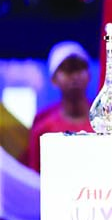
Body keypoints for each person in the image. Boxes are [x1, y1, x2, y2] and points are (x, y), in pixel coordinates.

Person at [24, 41, 94, 173]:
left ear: (89, 75)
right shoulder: (43, 127)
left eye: (79, 68)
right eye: (67, 70)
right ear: (53, 79)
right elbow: (35, 177)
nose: (74, 76)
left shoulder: (106, 121)